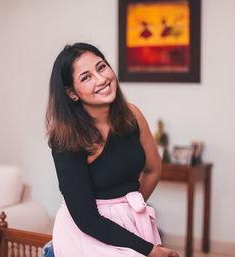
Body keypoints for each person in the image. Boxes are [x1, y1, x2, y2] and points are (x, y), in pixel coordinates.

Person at [46, 42, 179, 257]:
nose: (101, 79)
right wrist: (149, 250)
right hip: (86, 232)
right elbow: (87, 220)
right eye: (86, 77)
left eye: (101, 67)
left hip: (129, 223)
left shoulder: (132, 114)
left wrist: (128, 209)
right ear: (71, 92)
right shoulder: (66, 140)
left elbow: (153, 170)